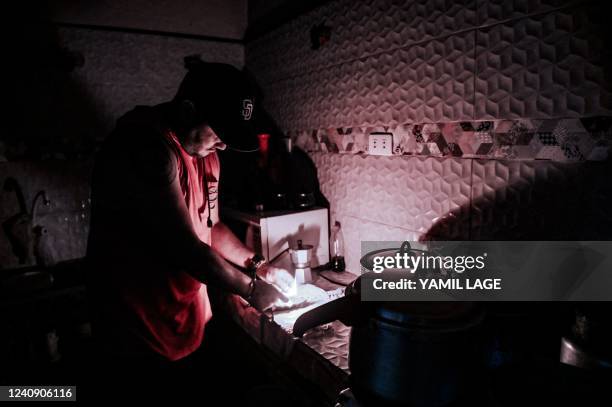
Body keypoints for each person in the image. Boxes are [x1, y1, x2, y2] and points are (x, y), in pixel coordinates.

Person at [85, 60, 294, 397]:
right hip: (138, 326)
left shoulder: (206, 153)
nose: (225, 145)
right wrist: (250, 289)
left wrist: (260, 266)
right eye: (220, 132)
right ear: (187, 110)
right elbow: (184, 247)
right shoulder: (146, 145)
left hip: (186, 318)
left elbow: (211, 227)